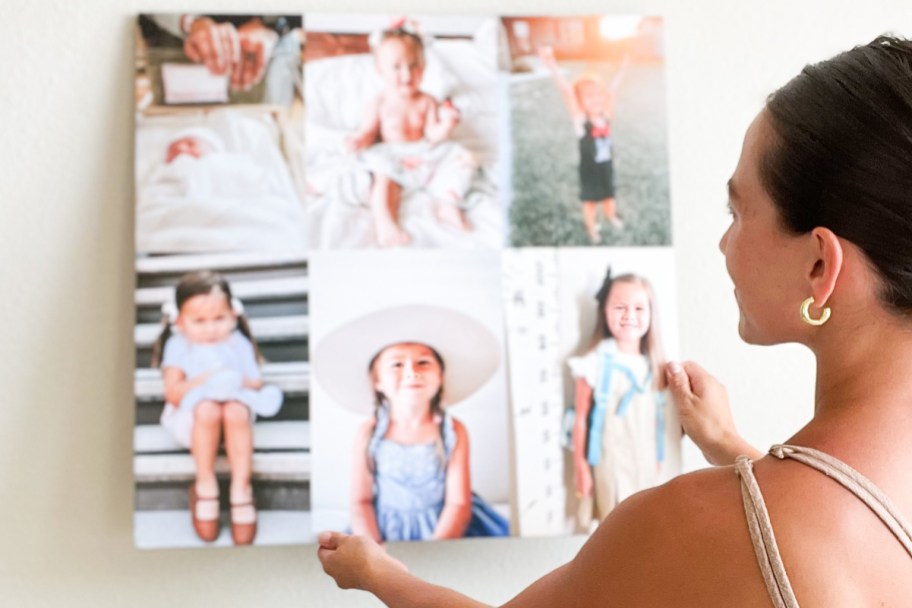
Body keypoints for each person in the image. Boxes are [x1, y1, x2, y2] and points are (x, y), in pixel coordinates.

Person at [318, 36, 912, 605]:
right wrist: (731, 448)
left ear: (818, 266)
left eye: (737, 210)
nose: (723, 243)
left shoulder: (681, 527)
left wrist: (379, 575)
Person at [313, 306, 509, 542]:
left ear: (440, 377)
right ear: (377, 381)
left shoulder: (453, 431)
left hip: (445, 527)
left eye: (423, 362)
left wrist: (435, 551)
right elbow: (360, 501)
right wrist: (375, 553)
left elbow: (458, 503)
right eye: (397, 365)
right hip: (383, 529)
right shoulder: (370, 433)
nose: (411, 372)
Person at [151, 270, 283, 545]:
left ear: (233, 315)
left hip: (234, 419)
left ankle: (241, 489)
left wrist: (232, 380)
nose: (211, 328)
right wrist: (206, 380)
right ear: (181, 321)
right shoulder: (178, 345)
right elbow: (173, 394)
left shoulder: (238, 343)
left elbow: (255, 382)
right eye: (199, 321)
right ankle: (205, 484)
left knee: (234, 408)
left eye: (219, 318)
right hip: (193, 420)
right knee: (209, 408)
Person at [346, 22, 477, 247]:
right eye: (396, 67)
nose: (406, 74)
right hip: (393, 155)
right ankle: (384, 221)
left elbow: (433, 135)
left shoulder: (427, 101)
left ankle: (447, 202)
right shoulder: (380, 101)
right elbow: (367, 131)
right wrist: (358, 140)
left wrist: (447, 124)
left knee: (463, 156)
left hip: (423, 152)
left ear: (423, 67)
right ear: (380, 70)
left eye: (413, 65)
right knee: (382, 175)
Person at [566, 269, 670, 530]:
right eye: (619, 307)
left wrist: (658, 456)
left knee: (646, 521)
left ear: (650, 313)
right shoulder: (593, 364)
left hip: (644, 459)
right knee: (615, 524)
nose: (629, 316)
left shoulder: (655, 366)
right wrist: (580, 467)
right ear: (605, 311)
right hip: (608, 459)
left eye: (638, 308)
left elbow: (659, 418)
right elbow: (579, 419)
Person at [539, 46, 629, 244]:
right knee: (590, 203)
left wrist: (623, 66)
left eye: (598, 94)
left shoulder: (605, 116)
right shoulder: (581, 121)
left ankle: (611, 216)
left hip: (606, 167)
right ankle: (592, 229)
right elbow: (567, 91)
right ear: (580, 101)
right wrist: (551, 63)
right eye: (589, 96)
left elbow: (613, 90)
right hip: (589, 172)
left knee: (609, 197)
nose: (596, 99)